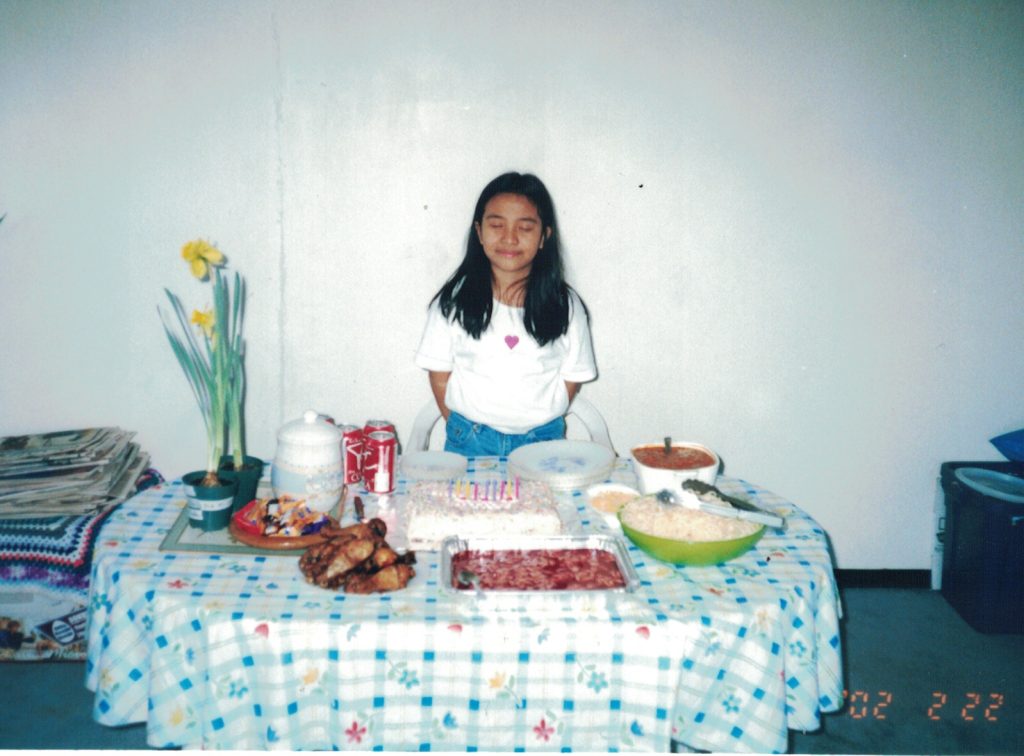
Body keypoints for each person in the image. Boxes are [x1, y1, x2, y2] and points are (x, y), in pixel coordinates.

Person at [415, 171, 597, 457]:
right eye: (497, 225)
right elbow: (438, 372)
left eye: (525, 228)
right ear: (479, 232)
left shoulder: (566, 305)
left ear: (544, 237)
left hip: (543, 440)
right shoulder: (454, 301)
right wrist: (459, 422)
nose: (509, 238)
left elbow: (572, 375)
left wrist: (539, 416)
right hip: (470, 439)